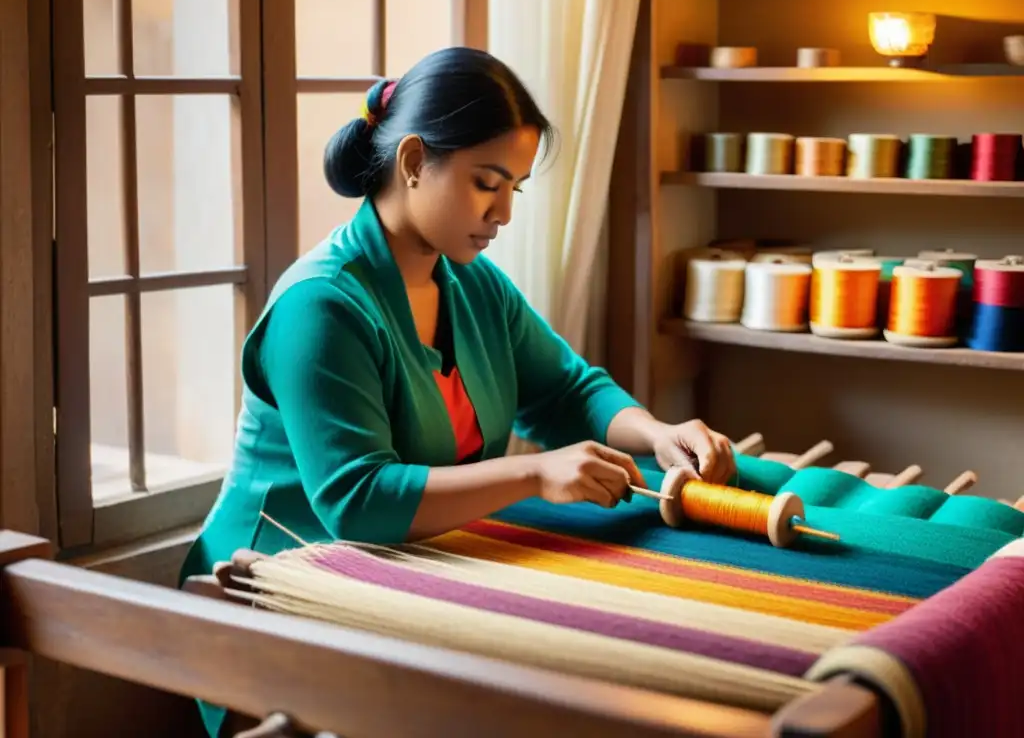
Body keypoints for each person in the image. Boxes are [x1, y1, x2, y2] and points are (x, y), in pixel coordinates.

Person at [179, 46, 735, 736]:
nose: (503, 211)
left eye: (515, 189)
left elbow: (565, 390)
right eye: (486, 182)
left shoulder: (471, 283)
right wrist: (534, 471)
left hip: (404, 577)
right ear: (413, 161)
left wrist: (657, 435)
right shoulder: (320, 305)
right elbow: (355, 501)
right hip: (276, 586)